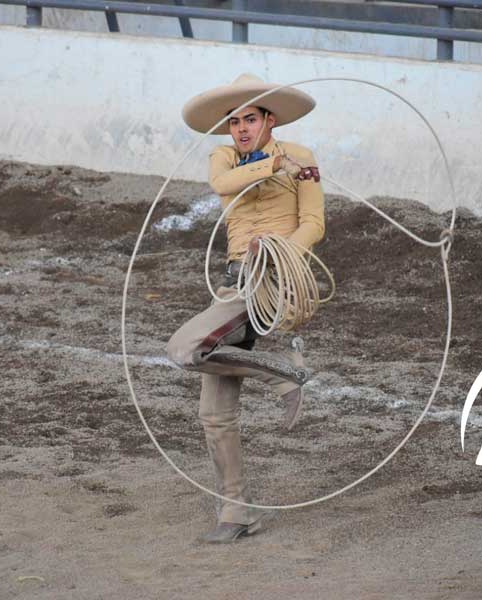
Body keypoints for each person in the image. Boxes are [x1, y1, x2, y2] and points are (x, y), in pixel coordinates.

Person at [166, 73, 325, 543]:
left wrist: (279, 251)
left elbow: (314, 223)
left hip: (269, 278)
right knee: (214, 414)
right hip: (233, 281)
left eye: (249, 119)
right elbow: (223, 183)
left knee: (185, 348)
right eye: (233, 122)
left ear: (268, 119)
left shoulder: (303, 159)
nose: (239, 129)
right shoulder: (225, 158)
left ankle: (279, 374)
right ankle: (237, 512)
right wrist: (268, 164)